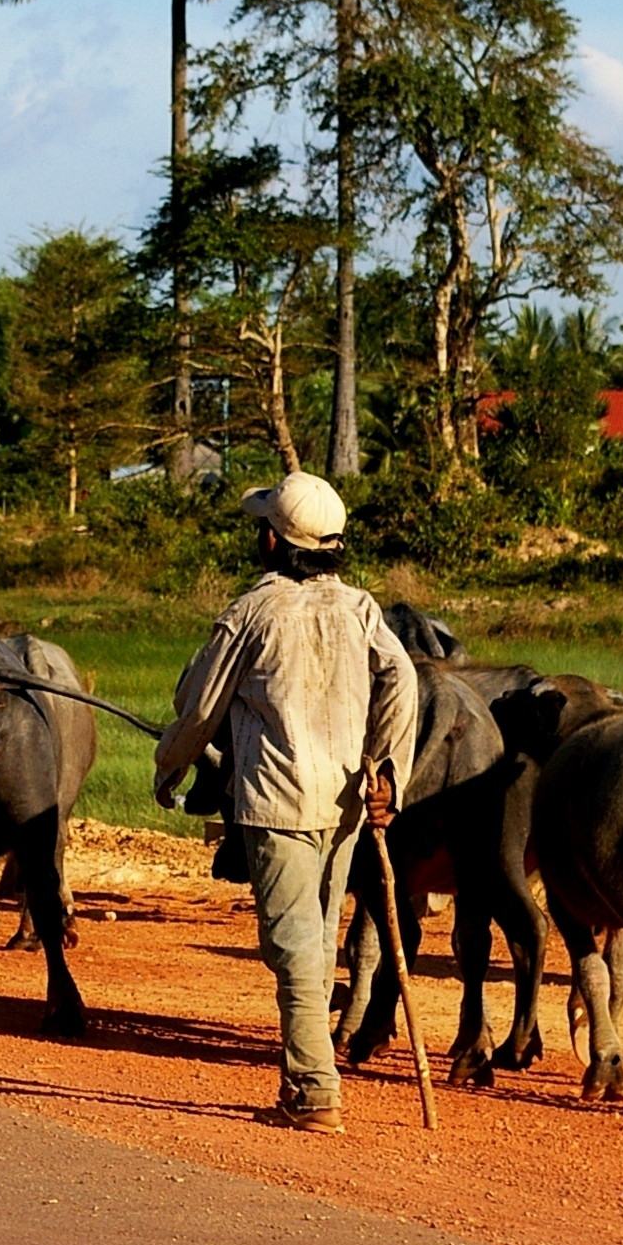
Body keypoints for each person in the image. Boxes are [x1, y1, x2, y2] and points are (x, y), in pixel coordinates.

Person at [154, 472, 417, 1134]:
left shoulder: (255, 611)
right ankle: (310, 1071)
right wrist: (387, 770)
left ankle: (313, 1089)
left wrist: (171, 763)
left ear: (272, 539)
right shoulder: (360, 608)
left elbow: (201, 707)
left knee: (294, 942)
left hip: (280, 799)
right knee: (318, 934)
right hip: (346, 801)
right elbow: (403, 680)